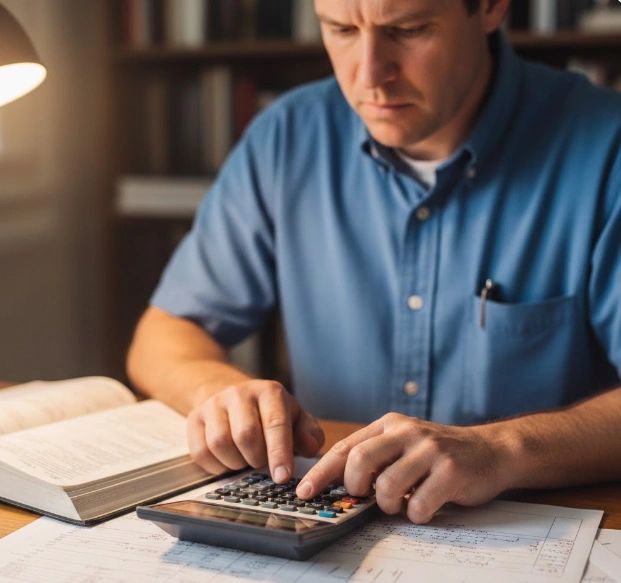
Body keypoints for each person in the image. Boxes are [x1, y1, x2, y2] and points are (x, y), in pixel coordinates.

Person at [127, 0, 621, 525]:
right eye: (340, 29)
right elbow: (164, 336)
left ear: (493, 7)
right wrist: (218, 392)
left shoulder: (607, 147)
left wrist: (504, 448)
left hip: (533, 527)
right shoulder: (286, 137)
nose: (369, 75)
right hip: (325, 526)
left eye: (408, 30)